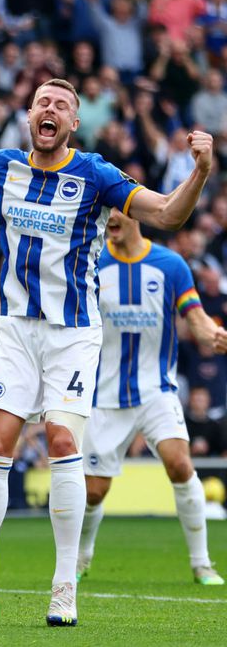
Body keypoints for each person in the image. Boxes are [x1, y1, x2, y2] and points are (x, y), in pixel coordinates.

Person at [0, 75, 214, 627]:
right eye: (41, 102)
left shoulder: (96, 175)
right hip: (16, 331)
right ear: (29, 116)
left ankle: (63, 587)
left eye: (62, 105)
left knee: (59, 440)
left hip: (74, 334)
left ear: (73, 124)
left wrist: (199, 172)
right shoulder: (6, 165)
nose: (50, 109)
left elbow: (169, 214)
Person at [79, 209, 226, 586]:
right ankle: (81, 558)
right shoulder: (93, 262)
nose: (109, 217)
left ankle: (201, 563)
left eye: (116, 209)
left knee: (180, 464)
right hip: (105, 395)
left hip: (156, 390)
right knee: (95, 491)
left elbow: (194, 314)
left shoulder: (170, 264)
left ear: (134, 215)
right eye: (105, 210)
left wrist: (211, 333)